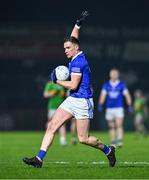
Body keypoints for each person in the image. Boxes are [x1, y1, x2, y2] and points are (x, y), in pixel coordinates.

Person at [22, 11, 116, 168]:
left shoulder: (79, 63)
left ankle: (108, 150)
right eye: (64, 47)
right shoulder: (75, 53)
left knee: (83, 139)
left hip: (83, 101)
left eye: (67, 48)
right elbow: (74, 37)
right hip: (72, 99)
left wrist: (56, 80)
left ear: (76, 48)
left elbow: (73, 85)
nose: (65, 50)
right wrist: (78, 24)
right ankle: (38, 159)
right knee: (52, 126)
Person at [98, 68, 132, 148]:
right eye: (112, 73)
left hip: (119, 108)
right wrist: (100, 104)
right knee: (111, 126)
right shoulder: (106, 85)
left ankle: (119, 141)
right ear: (110, 75)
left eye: (115, 74)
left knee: (119, 124)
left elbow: (127, 95)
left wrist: (129, 105)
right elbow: (103, 95)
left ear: (118, 75)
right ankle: (113, 142)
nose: (114, 75)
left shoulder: (121, 85)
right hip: (109, 108)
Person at [43, 80, 67, 146]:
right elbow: (45, 94)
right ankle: (47, 138)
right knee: (50, 122)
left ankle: (63, 140)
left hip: (61, 106)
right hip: (52, 107)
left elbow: (64, 95)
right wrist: (54, 93)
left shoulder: (62, 83)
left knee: (62, 123)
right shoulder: (50, 83)